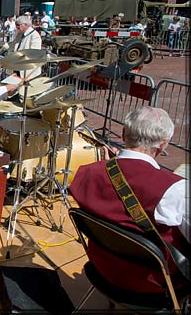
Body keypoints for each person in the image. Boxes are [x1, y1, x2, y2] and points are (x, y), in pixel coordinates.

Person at [69, 107, 189, 294]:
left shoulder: (88, 172)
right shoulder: (176, 190)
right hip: (153, 286)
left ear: (124, 133)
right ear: (163, 144)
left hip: (102, 270)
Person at [11, 15, 43, 79]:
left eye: (18, 25)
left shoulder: (34, 35)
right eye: (16, 25)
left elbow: (34, 53)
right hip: (17, 67)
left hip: (27, 70)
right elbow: (13, 46)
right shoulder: (20, 34)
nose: (16, 27)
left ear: (25, 25)